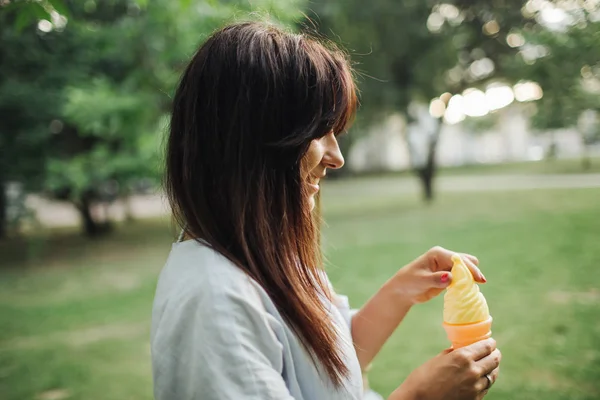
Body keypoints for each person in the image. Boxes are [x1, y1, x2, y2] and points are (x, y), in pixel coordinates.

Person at [151, 21, 501, 400]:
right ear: (254, 143)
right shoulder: (217, 301)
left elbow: (328, 366)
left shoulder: (260, 255)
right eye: (319, 132)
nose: (337, 157)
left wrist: (400, 290)